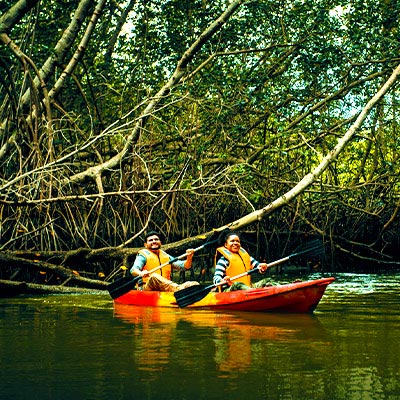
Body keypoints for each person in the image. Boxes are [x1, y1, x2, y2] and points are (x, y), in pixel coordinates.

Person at [130, 231, 200, 292]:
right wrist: (140, 273)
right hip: (147, 288)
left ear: (160, 242)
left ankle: (183, 291)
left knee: (193, 284)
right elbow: (133, 270)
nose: (154, 241)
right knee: (154, 276)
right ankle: (180, 290)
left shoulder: (165, 256)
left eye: (156, 239)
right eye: (150, 240)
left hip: (165, 287)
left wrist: (189, 257)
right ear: (145, 245)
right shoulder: (143, 256)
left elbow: (184, 266)